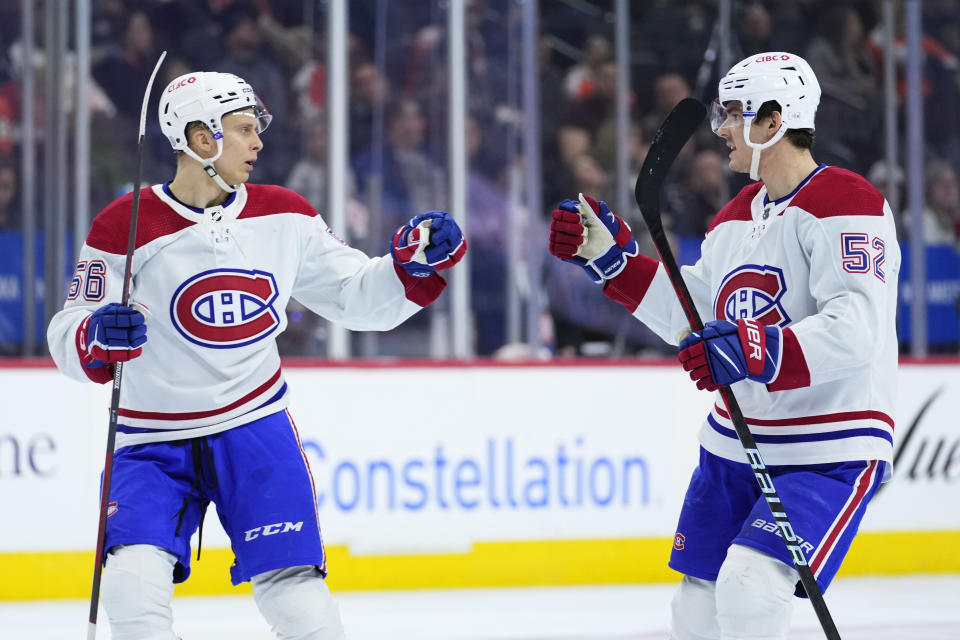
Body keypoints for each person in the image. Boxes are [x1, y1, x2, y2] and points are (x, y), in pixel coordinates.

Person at [46, 71, 466, 640]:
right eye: (243, 130)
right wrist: (93, 336)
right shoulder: (123, 224)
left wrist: (409, 266)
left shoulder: (286, 214)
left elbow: (356, 298)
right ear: (200, 139)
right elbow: (68, 329)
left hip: (254, 427)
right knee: (133, 583)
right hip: (148, 440)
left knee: (297, 596)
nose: (258, 143)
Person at [548, 52, 899, 639]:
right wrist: (610, 259)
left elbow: (856, 328)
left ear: (774, 121)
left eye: (734, 114)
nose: (720, 129)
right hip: (737, 441)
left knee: (752, 584)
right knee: (696, 608)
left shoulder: (846, 202)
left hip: (828, 444)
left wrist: (753, 350)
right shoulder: (734, 216)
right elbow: (697, 312)